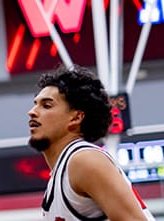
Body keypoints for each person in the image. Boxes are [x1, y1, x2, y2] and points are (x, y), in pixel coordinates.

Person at [28, 67, 155, 220]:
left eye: (46, 105)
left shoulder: (84, 160)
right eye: (35, 104)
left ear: (76, 118)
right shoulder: (63, 172)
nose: (32, 111)